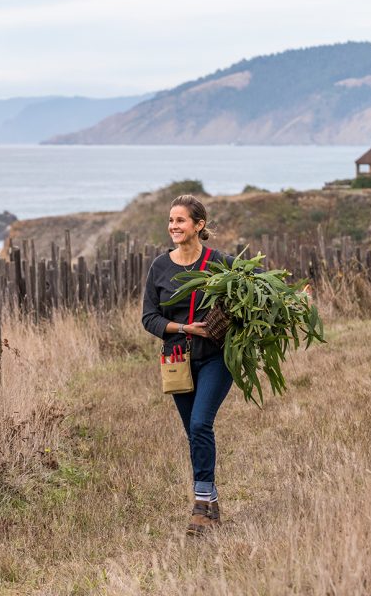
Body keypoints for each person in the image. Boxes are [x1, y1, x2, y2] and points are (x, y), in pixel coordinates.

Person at [141, 194, 234, 536]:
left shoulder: (218, 262)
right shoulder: (160, 268)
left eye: (180, 221)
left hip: (216, 358)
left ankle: (199, 506)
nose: (173, 227)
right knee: (194, 433)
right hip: (177, 360)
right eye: (170, 221)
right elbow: (149, 318)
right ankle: (211, 499)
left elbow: (245, 296)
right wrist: (182, 328)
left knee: (199, 425)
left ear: (199, 225)